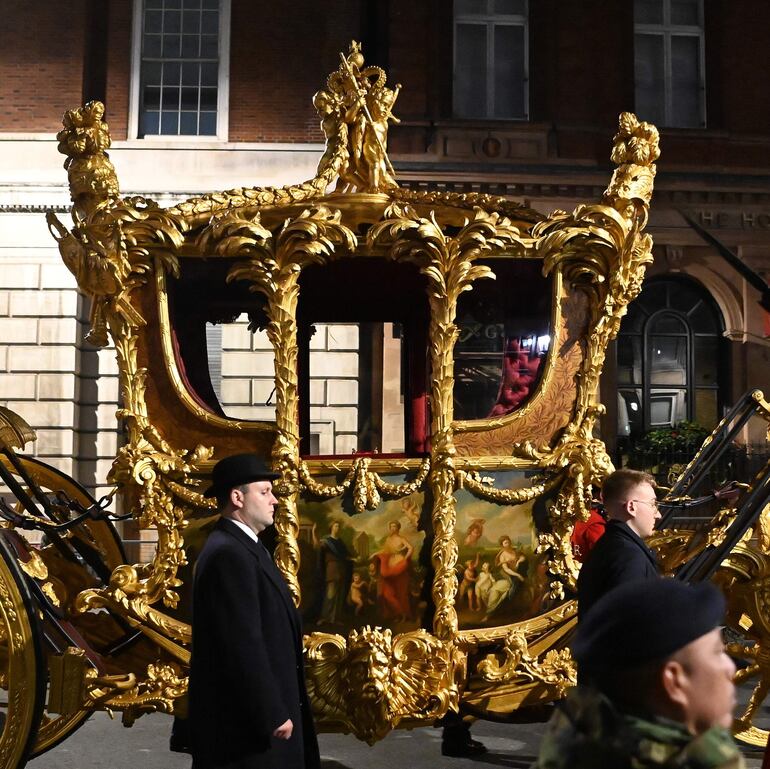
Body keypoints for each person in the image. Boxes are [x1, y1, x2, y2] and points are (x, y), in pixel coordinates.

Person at [188, 454, 320, 769]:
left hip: (256, 725)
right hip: (249, 732)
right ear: (237, 497)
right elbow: (241, 644)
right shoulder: (228, 555)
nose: (274, 500)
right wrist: (271, 711)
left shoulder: (244, 546)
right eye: (264, 491)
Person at [533, 578, 743, 768]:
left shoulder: (573, 743)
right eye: (716, 652)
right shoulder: (710, 760)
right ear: (673, 681)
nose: (730, 668)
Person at [577, 468, 661, 618]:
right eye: (653, 504)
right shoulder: (628, 557)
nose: (658, 514)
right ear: (631, 507)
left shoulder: (610, 546)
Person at [318, 520, 352, 625]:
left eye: (338, 527)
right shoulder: (326, 541)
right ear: (331, 527)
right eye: (336, 526)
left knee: (340, 595)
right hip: (332, 569)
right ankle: (325, 617)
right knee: (330, 594)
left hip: (341, 569)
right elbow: (318, 549)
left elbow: (346, 555)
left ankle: (335, 618)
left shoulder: (340, 542)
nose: (337, 528)